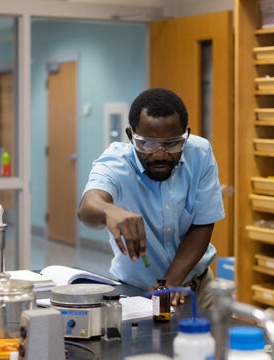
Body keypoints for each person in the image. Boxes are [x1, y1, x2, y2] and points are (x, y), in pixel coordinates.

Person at [77, 88, 224, 308]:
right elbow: (87, 208)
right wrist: (109, 210)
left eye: (173, 143)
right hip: (136, 294)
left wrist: (169, 284)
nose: (160, 154)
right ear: (130, 136)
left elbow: (202, 224)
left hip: (197, 288)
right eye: (147, 143)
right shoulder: (116, 162)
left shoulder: (200, 154)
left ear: (186, 135)